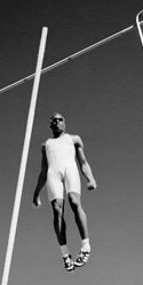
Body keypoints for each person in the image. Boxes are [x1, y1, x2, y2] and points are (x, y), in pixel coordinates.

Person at [31, 113, 97, 273]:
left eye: (60, 119)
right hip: (54, 174)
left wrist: (90, 178)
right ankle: (65, 255)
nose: (57, 121)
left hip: (70, 170)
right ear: (50, 125)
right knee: (57, 209)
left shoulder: (74, 139)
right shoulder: (46, 144)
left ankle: (85, 246)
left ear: (64, 123)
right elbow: (44, 171)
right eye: (54, 120)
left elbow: (83, 162)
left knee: (74, 201)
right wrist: (36, 193)